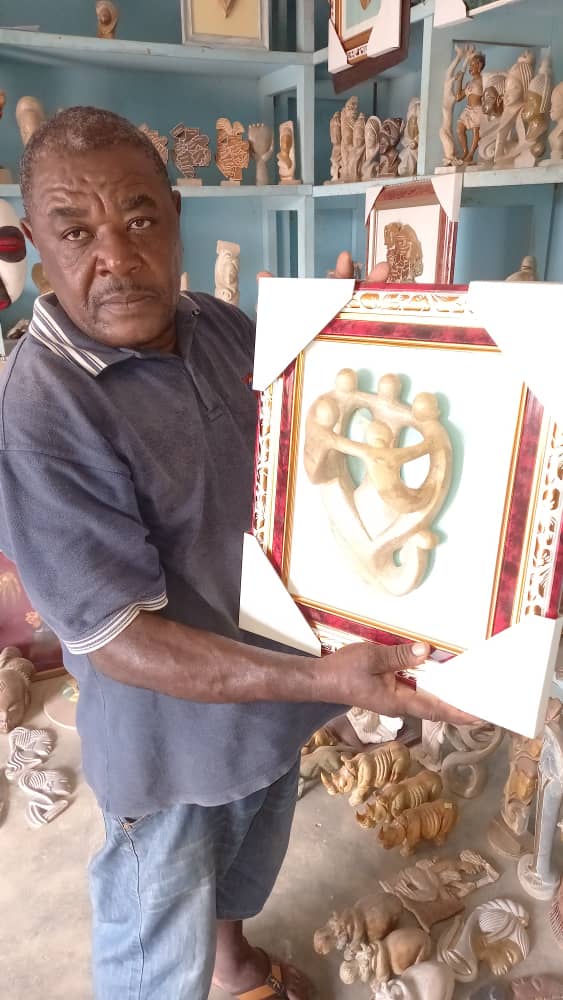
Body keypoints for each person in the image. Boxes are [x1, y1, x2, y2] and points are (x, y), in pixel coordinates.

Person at [0, 107, 473, 1000]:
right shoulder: (40, 411)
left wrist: (363, 338)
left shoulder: (217, 325)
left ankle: (233, 958)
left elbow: (309, 457)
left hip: (270, 700)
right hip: (170, 747)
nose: (116, 257)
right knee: (155, 931)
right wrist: (321, 680)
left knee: (247, 856)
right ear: (36, 243)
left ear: (177, 216)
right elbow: (121, 641)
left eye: (139, 218)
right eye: (77, 232)